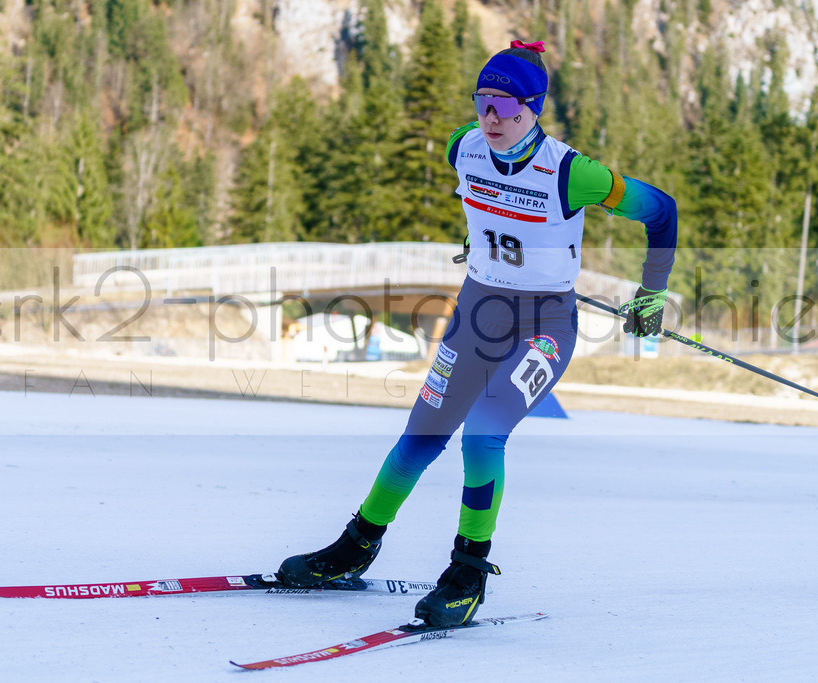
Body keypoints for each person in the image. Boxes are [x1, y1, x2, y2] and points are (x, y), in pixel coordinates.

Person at [277, 40, 677, 627]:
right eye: (482, 102)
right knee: (421, 432)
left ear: (533, 107)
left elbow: (661, 209)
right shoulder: (462, 146)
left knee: (484, 432)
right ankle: (356, 546)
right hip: (477, 312)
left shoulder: (572, 172)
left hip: (544, 326)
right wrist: (485, 240)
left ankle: (467, 571)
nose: (490, 118)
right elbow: (484, 202)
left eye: (505, 106)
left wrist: (653, 290)